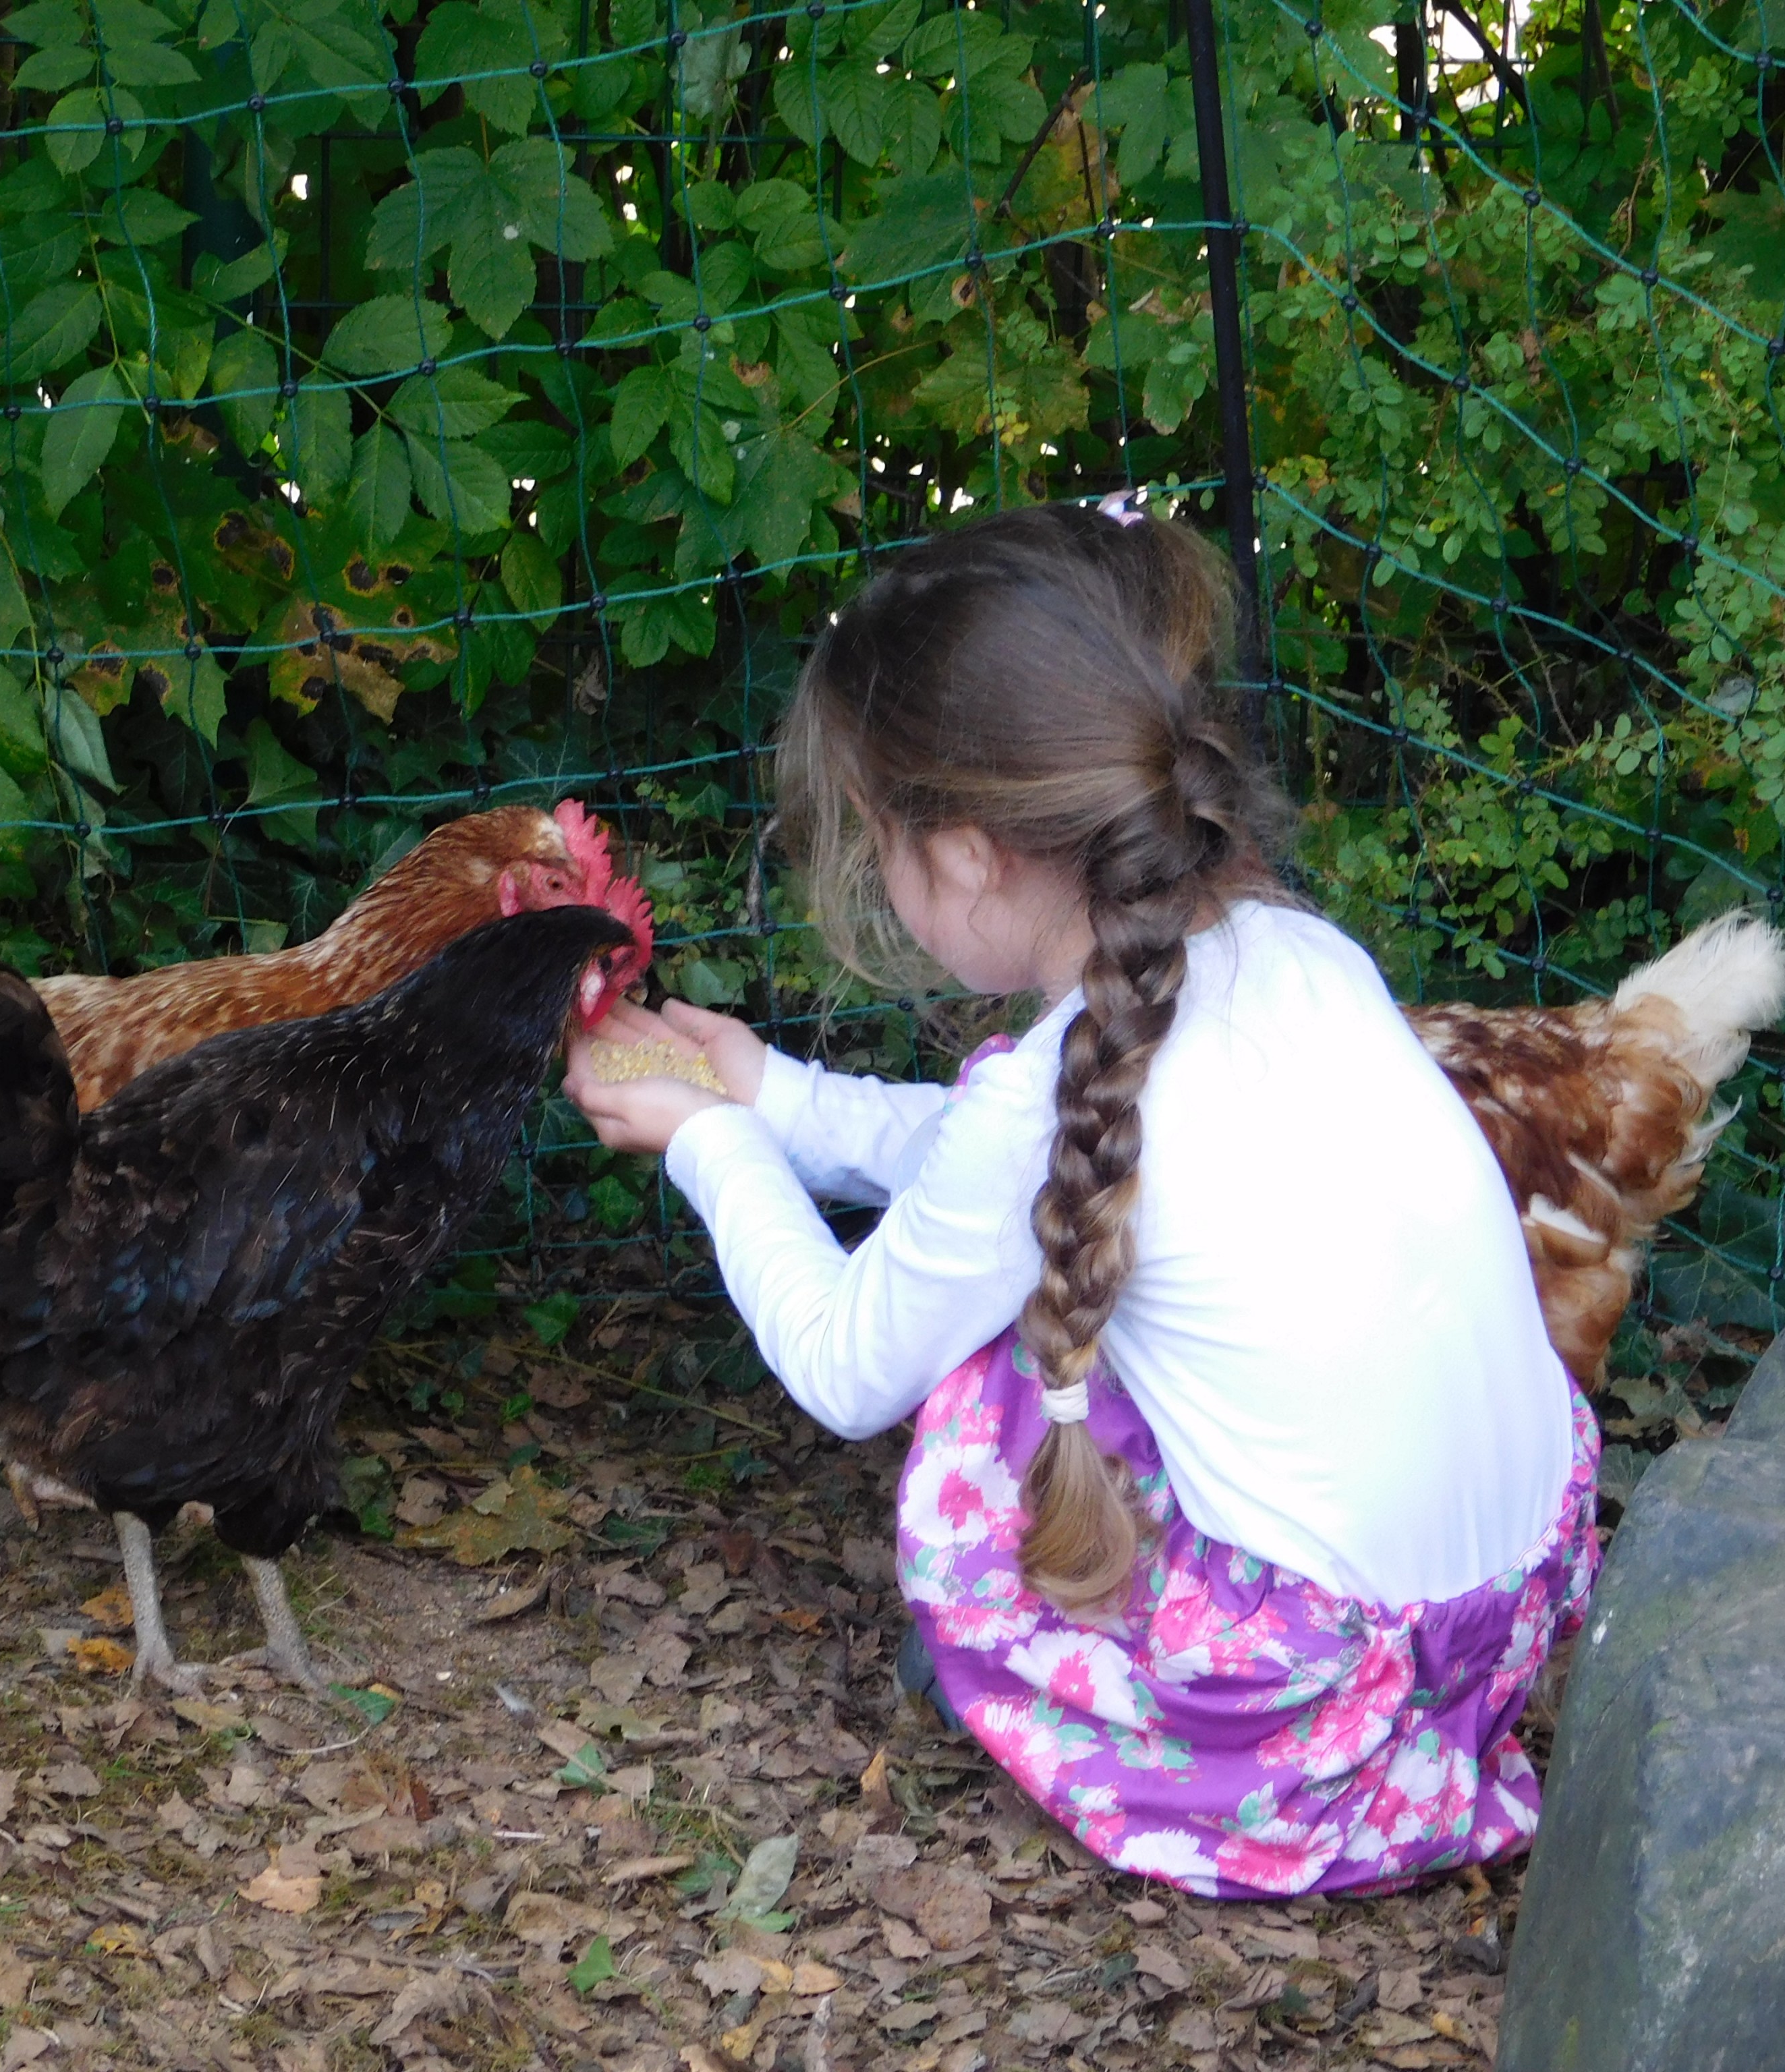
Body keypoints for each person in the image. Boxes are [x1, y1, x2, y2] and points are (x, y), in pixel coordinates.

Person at [562, 501, 1597, 1899]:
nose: (874, 873)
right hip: (1498, 1629)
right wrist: (779, 1099)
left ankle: (1098, 1693)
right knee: (1058, 1237)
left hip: (1301, 1723)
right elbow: (1011, 1163)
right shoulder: (1293, 950)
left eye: (879, 840)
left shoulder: (1063, 1088)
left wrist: (708, 1145)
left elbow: (844, 1364)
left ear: (975, 852)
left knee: (1000, 1363)